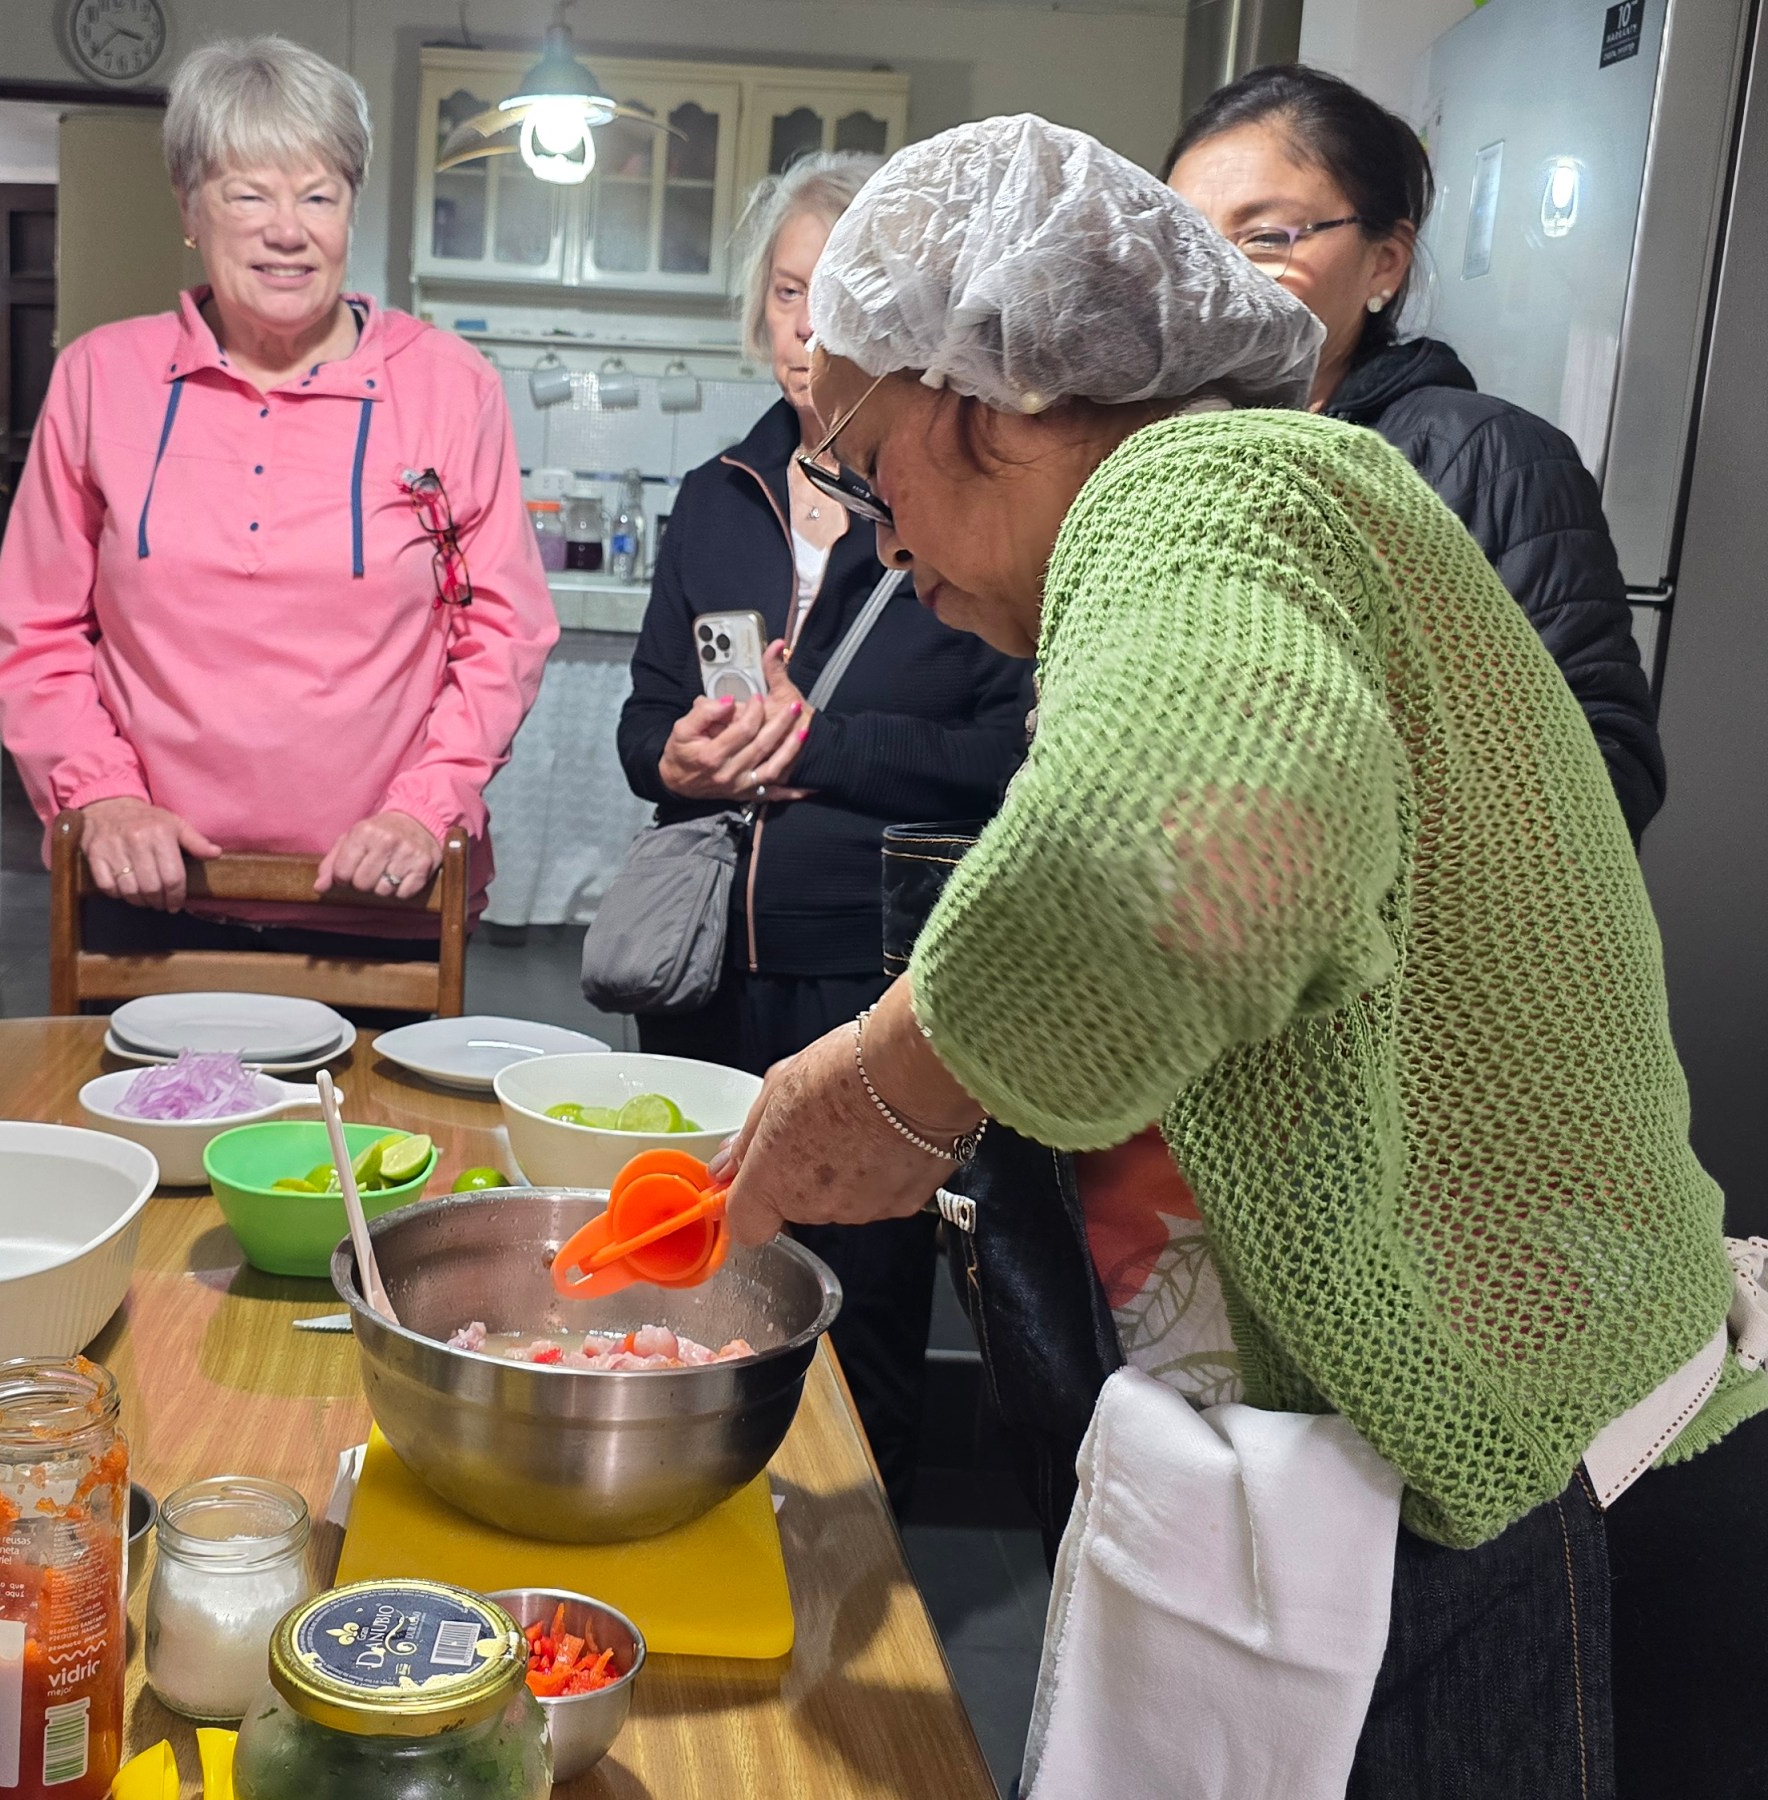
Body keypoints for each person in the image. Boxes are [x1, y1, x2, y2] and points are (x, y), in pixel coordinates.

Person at [718, 116, 1764, 1798]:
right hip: (1493, 1448)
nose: (871, 540)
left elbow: (1181, 864)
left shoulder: (1205, 494)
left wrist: (891, 1090)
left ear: (982, 399)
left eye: (856, 459)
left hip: (1517, 1502)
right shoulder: (1261, 508)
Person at [615, 152, 1032, 1509]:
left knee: (861, 1317)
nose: (813, 329)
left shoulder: (965, 502)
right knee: (693, 1277)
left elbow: (1008, 760)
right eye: (793, 294)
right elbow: (645, 731)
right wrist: (679, 752)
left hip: (878, 973)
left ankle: (864, 1568)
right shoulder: (712, 494)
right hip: (705, 972)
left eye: (845, 296)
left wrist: (822, 745)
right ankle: (689, 1519)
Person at [0, 37, 554, 960]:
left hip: (386, 896)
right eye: (248, 193)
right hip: (145, 897)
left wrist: (424, 806)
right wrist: (103, 796)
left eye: (318, 194)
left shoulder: (453, 387)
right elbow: (37, 631)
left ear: (351, 211)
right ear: (188, 208)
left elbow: (504, 634)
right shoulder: (99, 378)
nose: (286, 230)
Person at [1167, 65, 1667, 843]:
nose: (1217, 277)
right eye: (1187, 241)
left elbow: (1609, 766)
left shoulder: (1490, 455)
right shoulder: (1166, 453)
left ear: (1384, 261)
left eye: (1265, 237)